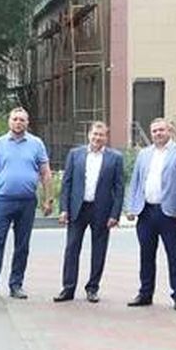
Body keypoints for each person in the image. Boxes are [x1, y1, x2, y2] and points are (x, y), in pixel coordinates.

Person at [0, 107, 52, 301]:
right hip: (3, 200)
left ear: (27, 123)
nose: (18, 123)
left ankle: (16, 285)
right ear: (9, 121)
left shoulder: (36, 144)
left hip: (27, 202)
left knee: (22, 245)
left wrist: (48, 199)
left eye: (22, 120)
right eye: (15, 119)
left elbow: (45, 173)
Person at [123, 117, 176, 310]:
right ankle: (145, 293)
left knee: (174, 256)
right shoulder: (144, 154)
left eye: (161, 130)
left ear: (169, 131)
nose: (158, 134)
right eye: (154, 131)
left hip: (169, 213)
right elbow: (136, 181)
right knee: (146, 255)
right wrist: (131, 206)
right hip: (145, 211)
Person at [55, 121, 123, 302]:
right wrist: (63, 209)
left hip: (101, 210)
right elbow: (67, 183)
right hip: (78, 209)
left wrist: (115, 214)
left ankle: (92, 288)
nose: (97, 138)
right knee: (71, 248)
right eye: (95, 134)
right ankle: (68, 288)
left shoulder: (115, 158)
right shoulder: (75, 154)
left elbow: (119, 188)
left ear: (106, 137)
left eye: (101, 135)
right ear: (89, 135)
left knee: (99, 250)